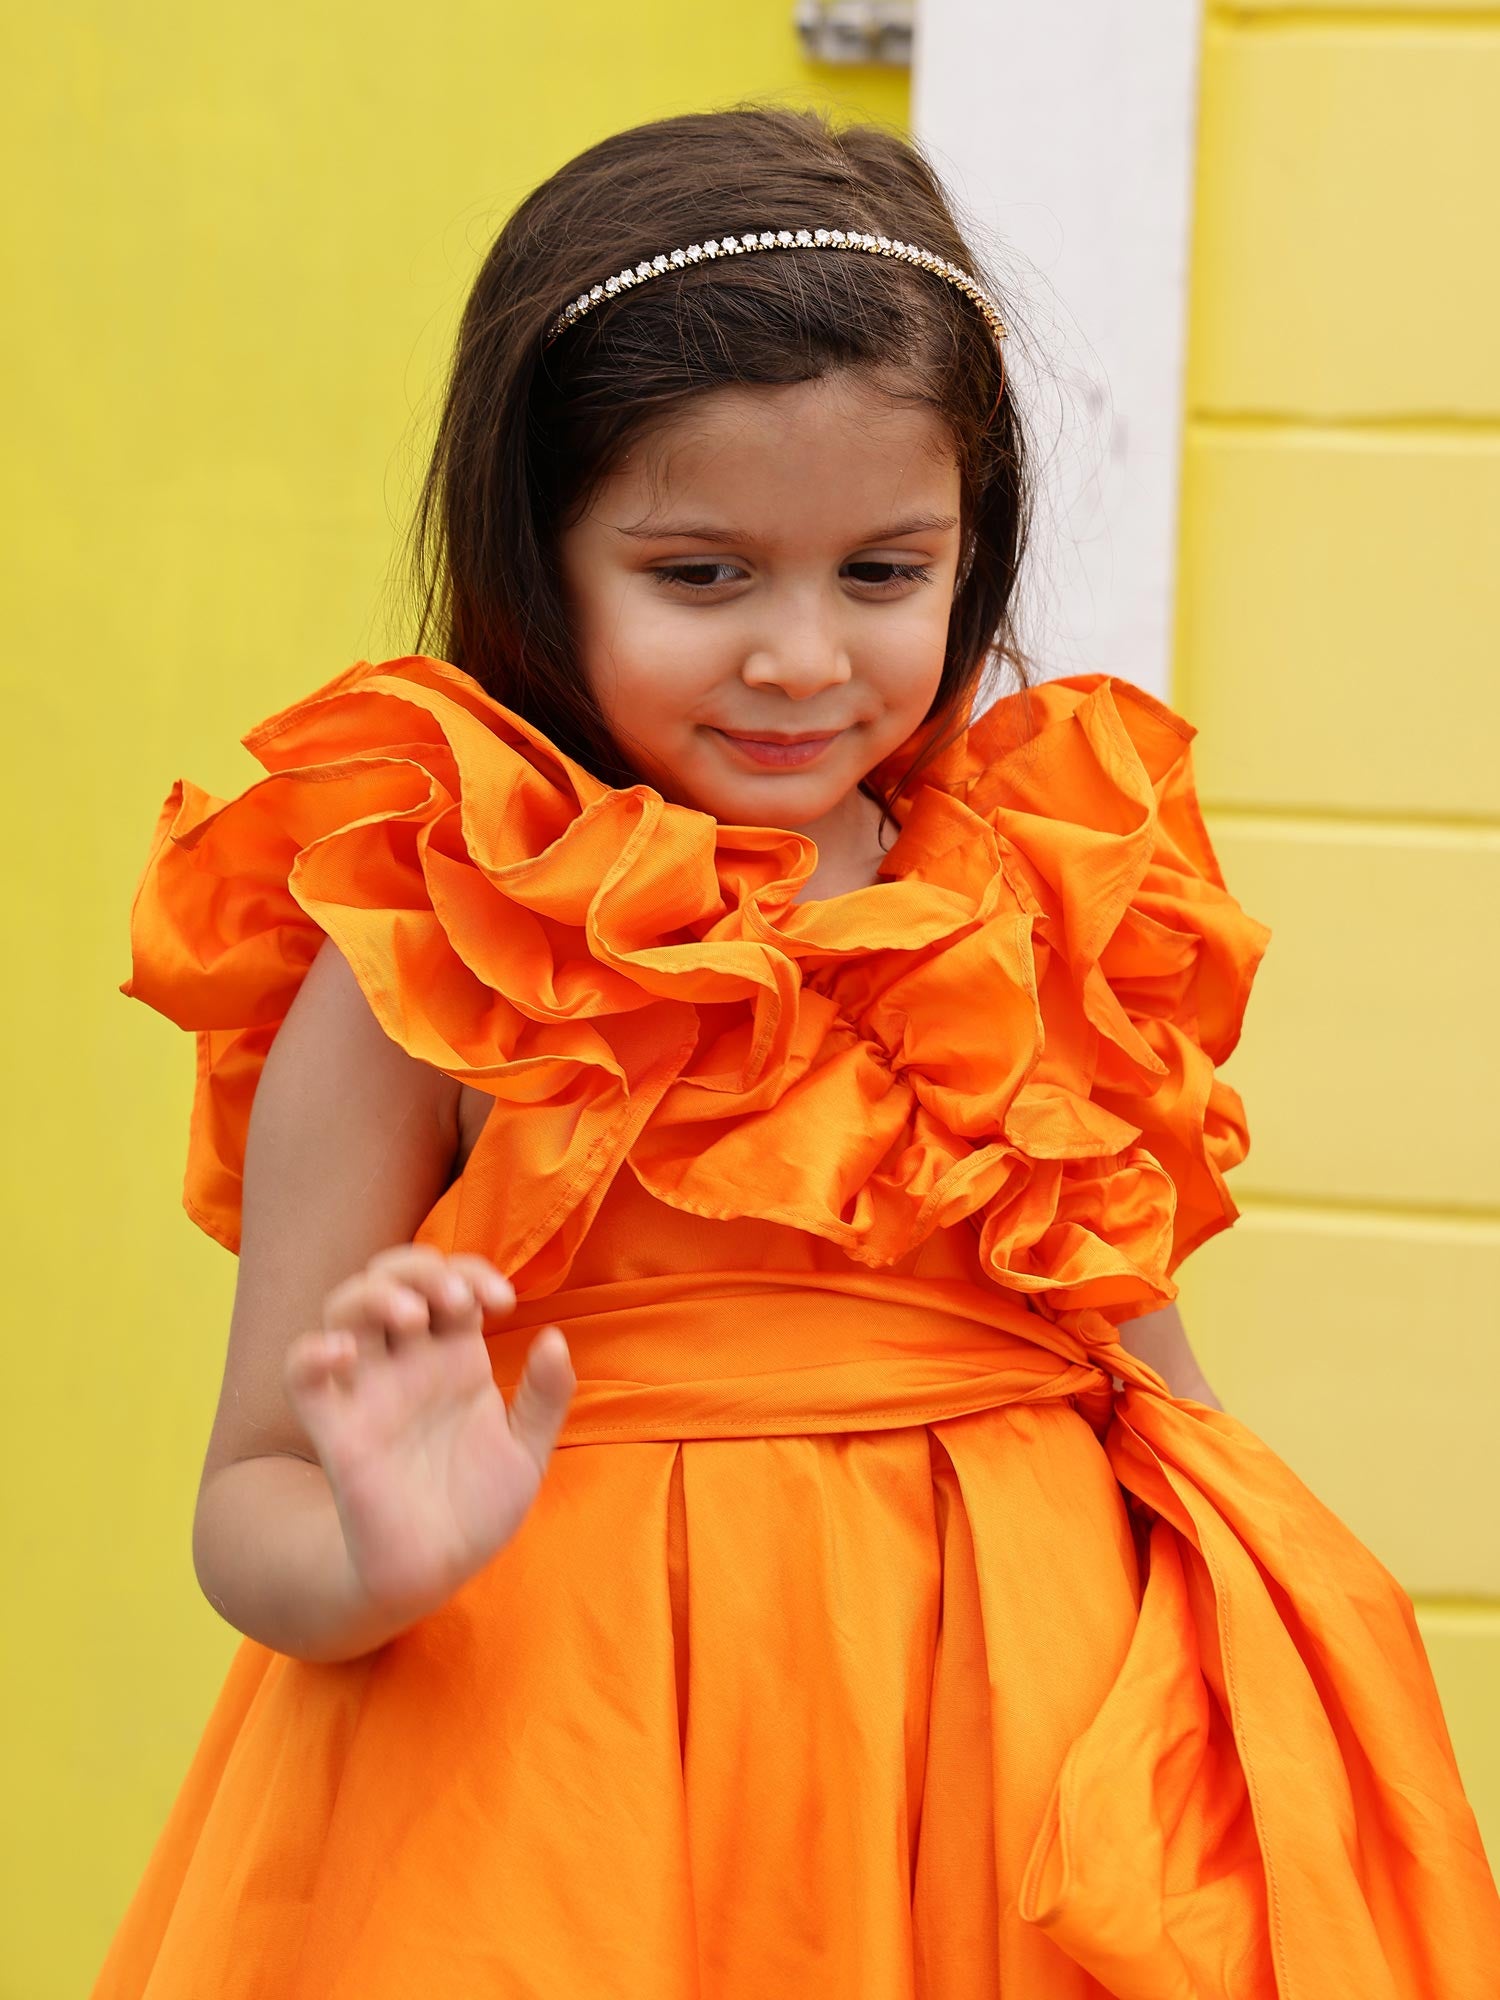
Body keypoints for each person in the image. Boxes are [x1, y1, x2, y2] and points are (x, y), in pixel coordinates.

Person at [94, 105, 1499, 1999]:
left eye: (882, 572)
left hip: (1009, 1777)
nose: (800, 659)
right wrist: (375, 1555)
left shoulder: (1050, 904)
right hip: (564, 1778)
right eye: (701, 576)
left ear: (969, 554)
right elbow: (247, 1508)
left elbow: (1163, 1398)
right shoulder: (431, 939)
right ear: (544, 554)